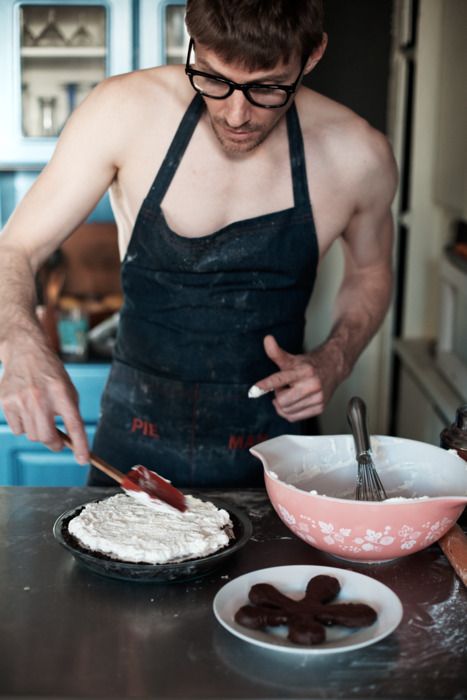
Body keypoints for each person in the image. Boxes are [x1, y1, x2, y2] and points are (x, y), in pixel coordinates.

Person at [0, 0, 397, 488]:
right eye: (212, 77)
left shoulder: (358, 154)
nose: (236, 113)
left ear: (312, 56)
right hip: (134, 437)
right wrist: (20, 345)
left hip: (276, 451)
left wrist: (336, 356)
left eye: (266, 88)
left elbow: (371, 273)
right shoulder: (124, 112)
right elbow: (14, 249)